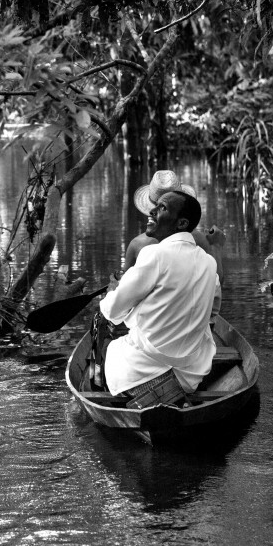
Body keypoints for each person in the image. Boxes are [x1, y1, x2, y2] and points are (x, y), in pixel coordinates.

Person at [98, 190, 221, 396]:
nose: (152, 211)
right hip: (189, 376)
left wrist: (113, 290)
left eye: (161, 208)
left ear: (181, 224)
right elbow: (213, 312)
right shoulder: (209, 262)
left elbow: (112, 310)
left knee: (109, 348)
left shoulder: (154, 254)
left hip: (141, 373)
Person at [124, 170, 225, 285]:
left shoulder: (138, 244)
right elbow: (216, 283)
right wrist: (216, 247)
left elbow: (123, 288)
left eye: (163, 207)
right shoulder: (198, 239)